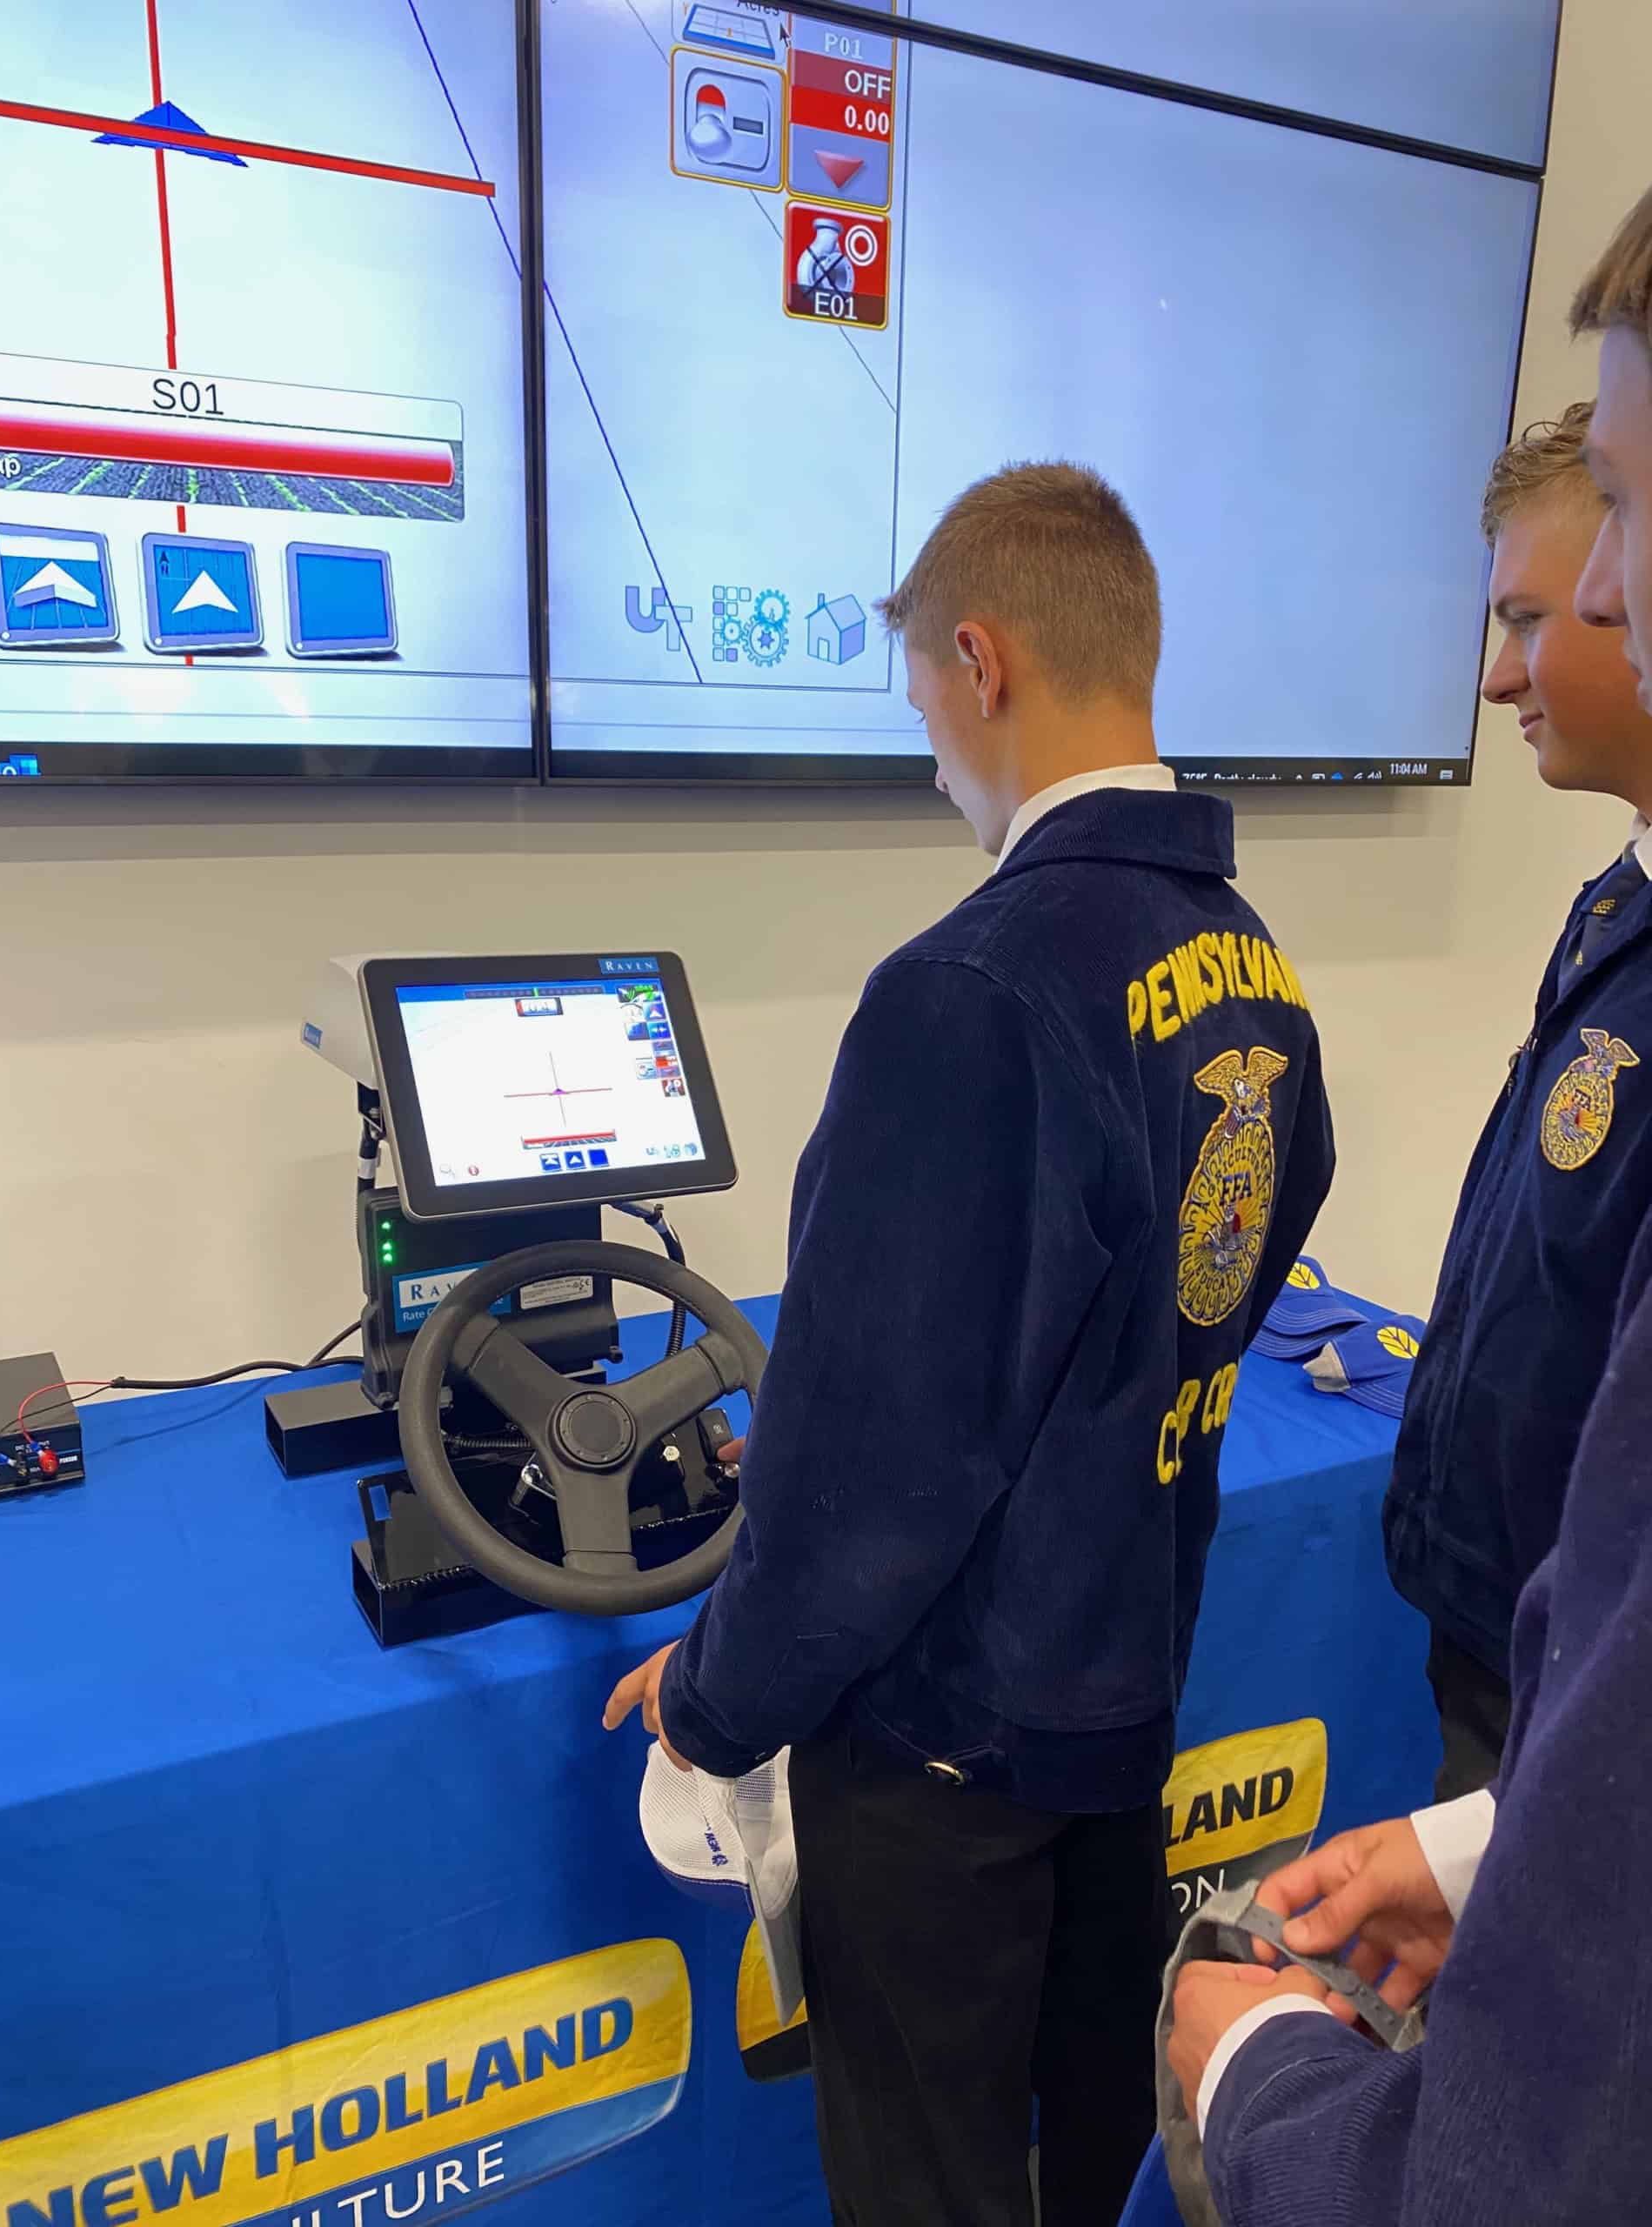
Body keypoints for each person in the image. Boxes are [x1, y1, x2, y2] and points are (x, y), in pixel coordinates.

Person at [605, 461, 1334, 2227]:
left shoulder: (972, 987)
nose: (926, 733)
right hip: (1117, 1700)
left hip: (942, 1753)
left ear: (982, 659)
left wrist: (712, 1697)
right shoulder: (1252, 965)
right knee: (1098, 2151)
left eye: (921, 684)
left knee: (927, 2181)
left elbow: (869, 1470)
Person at [1165, 181, 1652, 2226]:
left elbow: (1524, 2166)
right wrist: (1493, 1851)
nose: (1547, 644)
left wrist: (1264, 2077)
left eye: (1596, 553)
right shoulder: (1615, 913)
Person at [1381, 399, 1652, 1800]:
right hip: (1499, 1616)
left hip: (1591, 1679)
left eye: (1533, 618)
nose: (1500, 679)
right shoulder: (1620, 901)